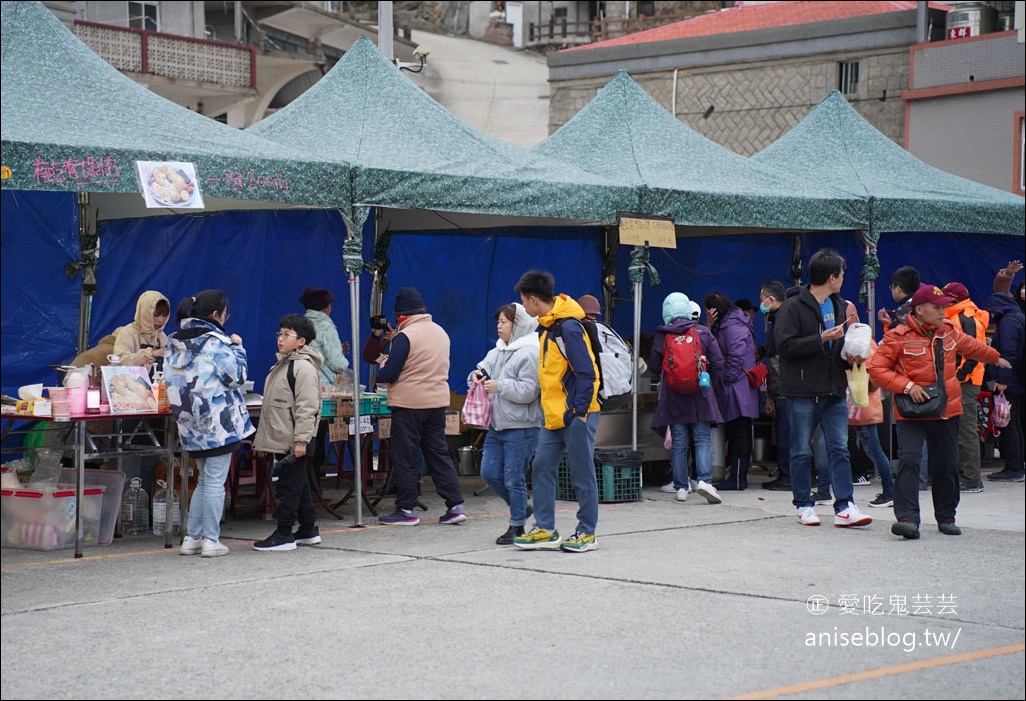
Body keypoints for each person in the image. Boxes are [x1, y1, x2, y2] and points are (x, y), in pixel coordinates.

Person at [868, 284, 1008, 539]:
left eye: (944, 306)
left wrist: (998, 358)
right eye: (937, 307)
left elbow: (974, 347)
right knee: (909, 462)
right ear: (919, 310)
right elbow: (877, 369)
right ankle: (908, 520)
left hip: (946, 410)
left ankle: (946, 518)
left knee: (946, 465)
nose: (943, 311)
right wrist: (908, 386)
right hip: (911, 412)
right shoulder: (897, 336)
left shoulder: (949, 332)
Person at [775, 248, 872, 528]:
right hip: (803, 391)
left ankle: (845, 505)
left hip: (834, 390)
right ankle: (804, 505)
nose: (844, 279)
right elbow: (783, 346)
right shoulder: (793, 307)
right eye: (841, 274)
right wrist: (819, 338)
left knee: (839, 449)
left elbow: (837, 345)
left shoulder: (840, 305)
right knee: (802, 451)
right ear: (831, 277)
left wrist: (851, 353)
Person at [513, 270, 600, 553]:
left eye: (524, 302)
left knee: (581, 473)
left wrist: (581, 411)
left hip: (575, 413)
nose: (524, 308)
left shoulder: (568, 327)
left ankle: (587, 532)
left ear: (535, 300)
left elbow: (587, 372)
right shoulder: (547, 327)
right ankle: (546, 529)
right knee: (541, 468)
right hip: (553, 416)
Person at [164, 289, 255, 558]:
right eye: (226, 314)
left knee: (204, 480)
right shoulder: (215, 343)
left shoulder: (174, 343)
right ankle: (211, 540)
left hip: (189, 423)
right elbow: (238, 377)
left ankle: (192, 537)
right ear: (216, 315)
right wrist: (238, 347)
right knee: (215, 482)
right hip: (218, 423)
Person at [375, 287, 467, 526]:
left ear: (400, 315)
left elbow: (391, 373)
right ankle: (455, 505)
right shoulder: (440, 332)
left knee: (404, 455)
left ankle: (406, 509)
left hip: (409, 404)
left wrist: (383, 366)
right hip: (436, 403)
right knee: (438, 454)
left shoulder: (406, 336)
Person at [469, 303, 542, 545]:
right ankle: (521, 508)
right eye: (498, 322)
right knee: (489, 473)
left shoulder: (531, 352)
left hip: (522, 427)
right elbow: (481, 369)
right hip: (497, 424)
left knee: (513, 478)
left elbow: (529, 391)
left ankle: (517, 526)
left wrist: (500, 386)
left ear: (518, 324)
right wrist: (476, 376)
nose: (499, 327)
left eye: (504, 322)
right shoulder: (498, 350)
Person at [252, 314, 324, 551]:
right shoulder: (283, 364)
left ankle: (283, 534)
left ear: (301, 341)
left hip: (295, 441)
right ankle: (308, 529)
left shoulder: (302, 368)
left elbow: (308, 408)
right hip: (284, 438)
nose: (280, 339)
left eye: (286, 335)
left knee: (288, 487)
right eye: (279, 334)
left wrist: (301, 440)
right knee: (299, 484)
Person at [649, 292, 724, 505]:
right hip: (700, 394)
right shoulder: (703, 332)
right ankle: (704, 482)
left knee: (679, 442)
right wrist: (707, 383)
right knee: (701, 439)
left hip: (674, 396)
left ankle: (681, 487)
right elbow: (718, 363)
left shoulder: (662, 334)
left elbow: (654, 366)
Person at [704, 291, 759, 490]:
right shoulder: (734, 322)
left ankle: (737, 479)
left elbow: (736, 354)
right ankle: (737, 477)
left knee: (739, 433)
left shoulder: (732, 325)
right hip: (741, 386)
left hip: (737, 387)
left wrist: (726, 378)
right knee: (740, 432)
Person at [941, 282, 990, 492]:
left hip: (966, 382)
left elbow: (974, 352)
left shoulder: (964, 318)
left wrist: (959, 376)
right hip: (964, 380)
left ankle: (971, 480)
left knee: (966, 429)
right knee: (961, 428)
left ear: (953, 299)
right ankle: (966, 476)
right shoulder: (961, 315)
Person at [299, 287, 351, 475]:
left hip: (300, 383)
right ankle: (315, 484)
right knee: (319, 434)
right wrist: (343, 360)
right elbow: (337, 362)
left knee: (305, 432)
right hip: (322, 388)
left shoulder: (299, 323)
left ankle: (309, 484)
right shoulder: (326, 326)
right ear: (326, 307)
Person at [983, 271, 1025, 483]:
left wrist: (1002, 381)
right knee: (1014, 422)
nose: (990, 314)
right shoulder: (1018, 317)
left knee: (1008, 423)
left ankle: (1013, 467)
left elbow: (1008, 354)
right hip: (1016, 380)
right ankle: (1017, 465)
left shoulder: (1009, 322)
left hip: (1009, 382)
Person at [758, 281, 791, 491]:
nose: (761, 303)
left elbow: (777, 358)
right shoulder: (781, 317)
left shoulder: (781, 319)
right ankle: (787, 473)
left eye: (762, 299)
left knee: (786, 434)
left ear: (770, 298)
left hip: (784, 387)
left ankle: (787, 476)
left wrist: (773, 390)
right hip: (786, 386)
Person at [113, 290, 170, 376]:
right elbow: (120, 360)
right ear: (145, 312)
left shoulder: (162, 336)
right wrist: (150, 353)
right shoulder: (128, 332)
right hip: (131, 384)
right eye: (156, 315)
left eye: (164, 315)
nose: (160, 319)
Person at [877, 266, 920, 331]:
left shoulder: (903, 310)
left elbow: (895, 338)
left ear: (898, 289)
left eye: (892, 287)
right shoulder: (923, 304)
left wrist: (888, 325)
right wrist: (888, 322)